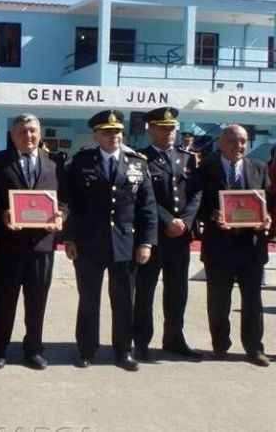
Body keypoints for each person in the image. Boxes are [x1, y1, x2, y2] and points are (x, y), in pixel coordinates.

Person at [63, 110, 157, 372]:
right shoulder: (81, 163)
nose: (113, 136)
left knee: (125, 300)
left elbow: (147, 207)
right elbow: (70, 203)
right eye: (107, 132)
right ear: (96, 135)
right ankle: (86, 349)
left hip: (125, 244)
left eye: (117, 131)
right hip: (89, 244)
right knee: (89, 299)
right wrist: (69, 237)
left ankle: (123, 351)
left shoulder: (137, 163)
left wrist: (146, 242)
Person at [0, 114, 63, 371]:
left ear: (40, 134)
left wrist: (62, 214)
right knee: (3, 300)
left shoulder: (54, 162)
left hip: (42, 244)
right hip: (8, 245)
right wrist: (3, 214)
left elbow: (65, 199)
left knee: (37, 299)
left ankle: (33, 348)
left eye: (32, 131)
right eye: (21, 132)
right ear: (12, 135)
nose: (27, 136)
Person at [195, 125, 270, 367]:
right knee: (219, 300)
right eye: (232, 141)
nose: (238, 146)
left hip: (251, 246)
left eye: (243, 141)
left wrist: (266, 220)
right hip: (219, 246)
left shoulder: (259, 168)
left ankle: (254, 348)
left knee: (253, 301)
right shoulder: (206, 168)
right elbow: (196, 203)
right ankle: (220, 344)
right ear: (220, 143)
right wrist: (213, 215)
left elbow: (267, 203)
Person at [133, 107, 202, 362]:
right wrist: (167, 220)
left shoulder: (187, 158)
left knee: (177, 291)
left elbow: (196, 193)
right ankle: (140, 342)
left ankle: (174, 339)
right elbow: (143, 197)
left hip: (180, 237)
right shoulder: (139, 159)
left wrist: (184, 221)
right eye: (162, 128)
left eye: (172, 128)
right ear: (150, 129)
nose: (168, 133)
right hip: (152, 236)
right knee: (144, 291)